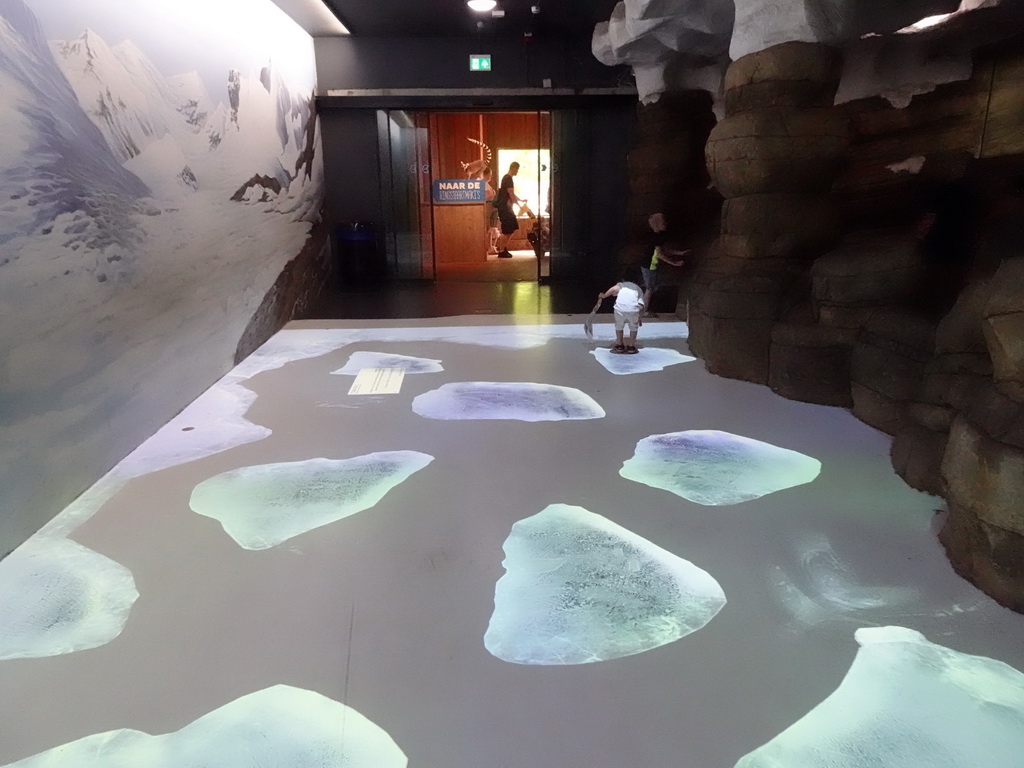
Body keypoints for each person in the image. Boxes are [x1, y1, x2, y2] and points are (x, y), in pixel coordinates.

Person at [642, 212, 691, 317]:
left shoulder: (658, 236)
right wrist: (674, 263)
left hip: (651, 264)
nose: (665, 224)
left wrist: (679, 253)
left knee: (652, 288)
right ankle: (643, 311)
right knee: (649, 289)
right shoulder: (656, 237)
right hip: (649, 265)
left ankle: (643, 309)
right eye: (663, 222)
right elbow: (660, 254)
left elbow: (664, 250)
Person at [597, 270, 645, 354]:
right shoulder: (638, 289)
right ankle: (631, 346)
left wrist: (604, 296)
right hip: (633, 310)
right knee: (633, 327)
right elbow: (641, 305)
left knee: (619, 326)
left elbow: (613, 289)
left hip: (620, 309)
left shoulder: (621, 285)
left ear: (622, 279)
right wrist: (639, 317)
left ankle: (619, 345)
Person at [493, 161, 521, 259]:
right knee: (507, 230)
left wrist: (520, 200)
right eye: (517, 169)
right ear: (513, 168)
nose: (517, 171)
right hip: (506, 209)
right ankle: (501, 251)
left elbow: (510, 193)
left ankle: (503, 248)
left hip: (505, 208)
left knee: (511, 228)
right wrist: (519, 205)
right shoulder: (508, 179)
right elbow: (511, 194)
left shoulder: (506, 178)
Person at [482, 167, 500, 255]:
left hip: (492, 205)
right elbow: (485, 196)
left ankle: (491, 246)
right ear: (485, 174)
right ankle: (488, 247)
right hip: (488, 205)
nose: (491, 177)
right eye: (489, 175)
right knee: (488, 228)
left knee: (492, 228)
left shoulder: (487, 184)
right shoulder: (483, 184)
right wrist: (492, 194)